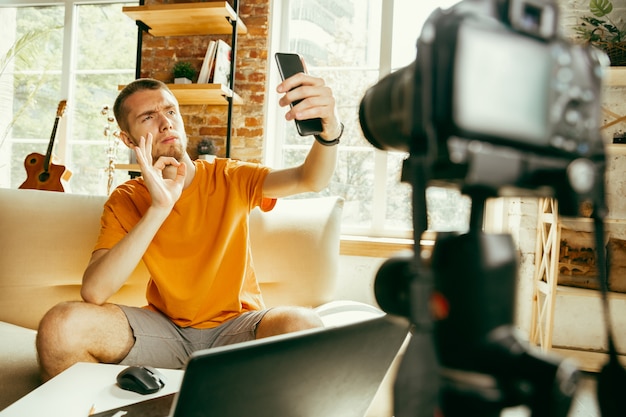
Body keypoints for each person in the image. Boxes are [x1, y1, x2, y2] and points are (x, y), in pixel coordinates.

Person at [36, 72, 343, 381]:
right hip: (165, 332)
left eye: (170, 111)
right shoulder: (126, 199)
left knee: (303, 324)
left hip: (237, 328)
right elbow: (94, 291)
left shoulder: (229, 176)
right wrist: (159, 208)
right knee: (60, 327)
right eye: (148, 117)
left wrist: (328, 132)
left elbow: (310, 178)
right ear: (128, 140)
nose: (166, 122)